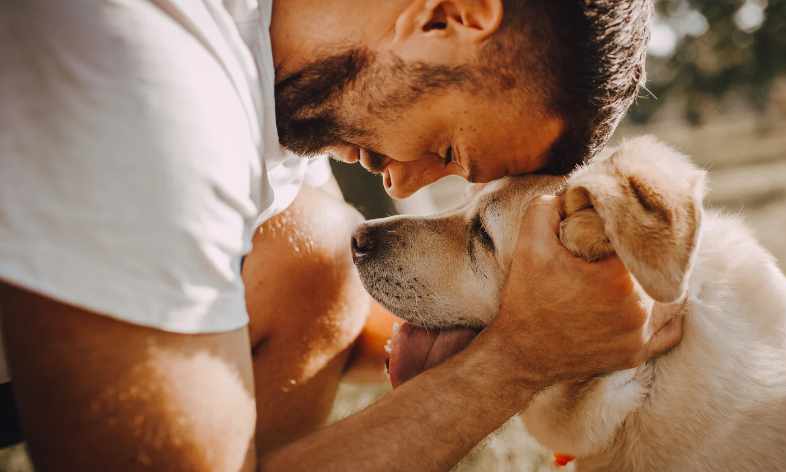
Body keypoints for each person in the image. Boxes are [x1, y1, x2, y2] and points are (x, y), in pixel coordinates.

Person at [0, 0, 681, 471]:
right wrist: (516, 362)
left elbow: (335, 315)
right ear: (448, 16)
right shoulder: (150, 84)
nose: (403, 187)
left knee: (315, 248)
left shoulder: (263, 64)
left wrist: (562, 325)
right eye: (446, 148)